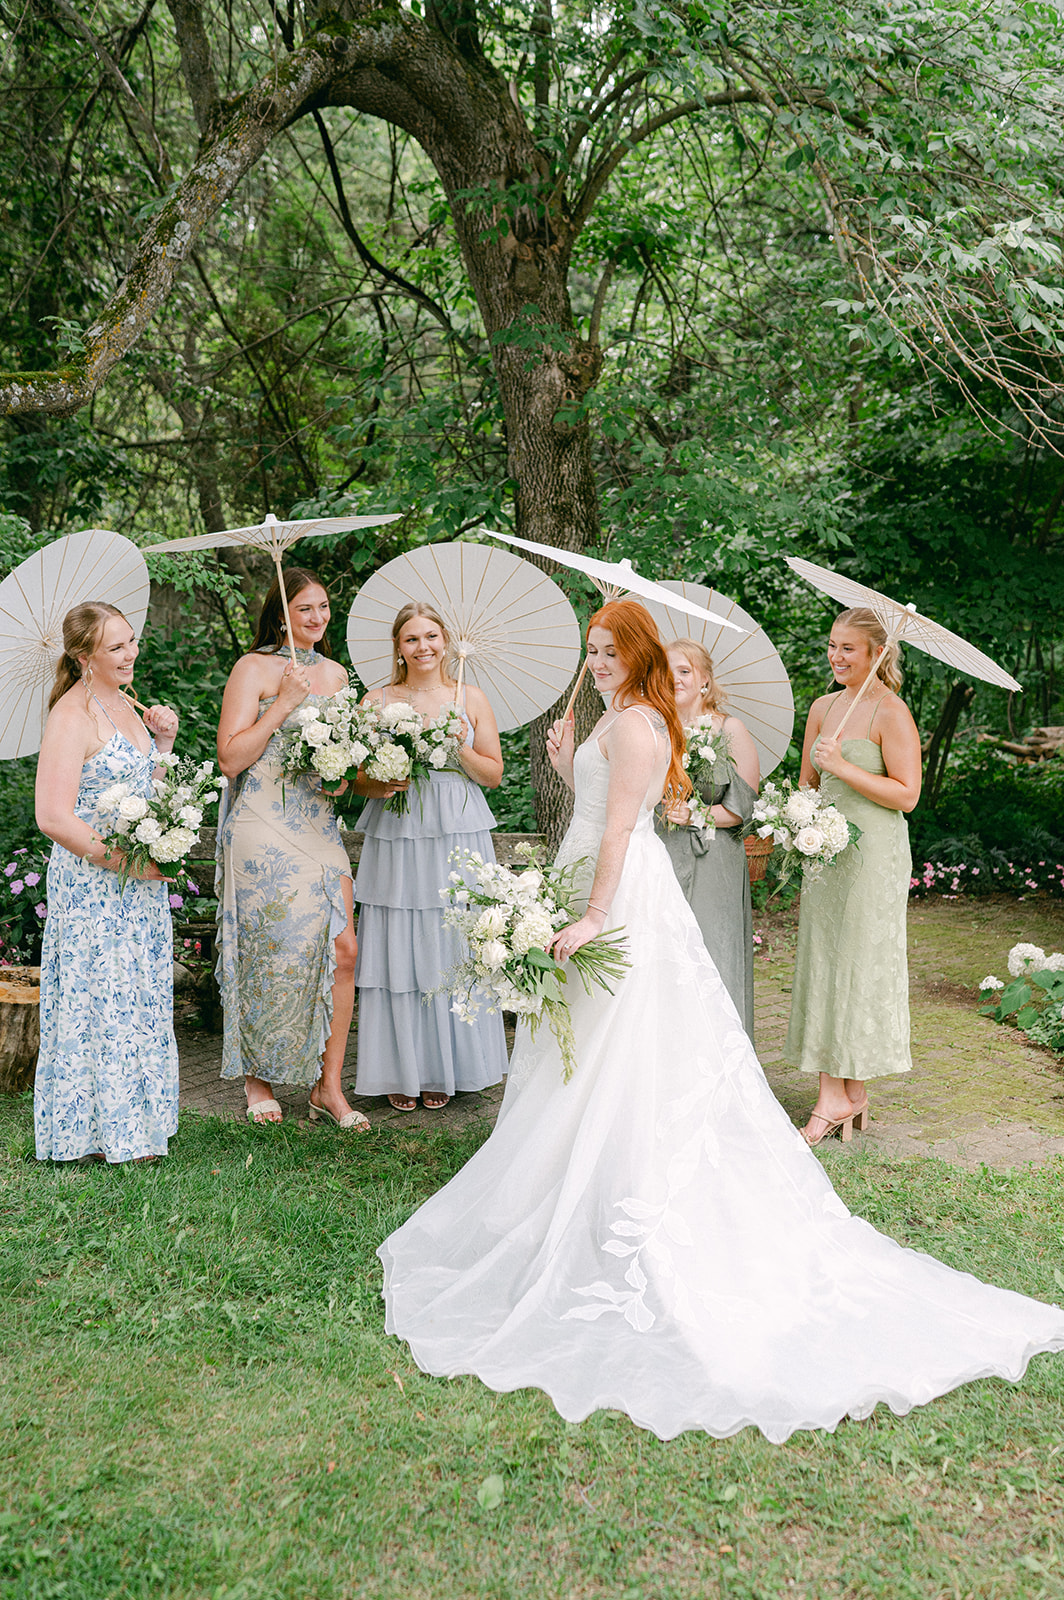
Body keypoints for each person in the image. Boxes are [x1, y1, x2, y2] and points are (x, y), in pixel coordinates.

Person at [377, 598, 1064, 1444]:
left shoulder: (636, 726)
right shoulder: (622, 716)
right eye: (589, 651)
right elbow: (603, 803)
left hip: (617, 895)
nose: (592, 662)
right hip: (594, 876)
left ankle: (624, 1189)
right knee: (589, 1054)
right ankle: (585, 1178)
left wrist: (593, 914)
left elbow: (623, 829)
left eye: (604, 650)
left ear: (634, 654)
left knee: (620, 1049)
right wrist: (564, 760)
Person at [216, 568, 387, 1129]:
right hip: (262, 824)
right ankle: (257, 1079)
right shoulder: (254, 668)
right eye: (305, 609)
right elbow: (232, 759)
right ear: (281, 613)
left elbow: (343, 762)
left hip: (318, 825)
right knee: (268, 950)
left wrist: (351, 778)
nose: (317, 618)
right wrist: (282, 703)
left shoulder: (337, 674)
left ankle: (327, 1087)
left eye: (323, 607)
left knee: (344, 950)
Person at [34, 602, 181, 1164]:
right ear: (82, 656)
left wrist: (163, 746)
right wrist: (127, 863)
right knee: (98, 1000)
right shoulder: (71, 716)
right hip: (94, 882)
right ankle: (90, 1135)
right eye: (116, 647)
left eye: (132, 641)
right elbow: (53, 816)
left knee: (135, 996)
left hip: (136, 883)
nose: (131, 653)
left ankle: (137, 1128)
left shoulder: (125, 704)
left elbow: (149, 794)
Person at [353, 601, 508, 1111]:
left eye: (431, 637)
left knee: (451, 941)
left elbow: (492, 775)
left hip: (456, 827)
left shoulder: (472, 698)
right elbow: (351, 778)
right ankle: (403, 1067)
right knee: (401, 941)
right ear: (398, 647)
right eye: (412, 639)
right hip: (398, 823)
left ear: (446, 641)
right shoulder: (377, 701)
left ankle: (447, 1067)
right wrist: (381, 779)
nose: (423, 647)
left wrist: (459, 744)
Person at [784, 607, 921, 1145]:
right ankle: (847, 1093)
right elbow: (807, 787)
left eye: (849, 649)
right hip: (826, 852)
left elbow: (906, 796)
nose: (836, 656)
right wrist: (797, 824)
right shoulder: (823, 708)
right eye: (832, 646)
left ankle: (836, 1096)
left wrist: (843, 766)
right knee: (824, 959)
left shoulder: (892, 712)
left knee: (860, 963)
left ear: (876, 655)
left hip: (874, 855)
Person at [656, 638, 760, 1035]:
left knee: (712, 950)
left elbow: (743, 807)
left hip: (713, 859)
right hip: (661, 852)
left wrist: (694, 813)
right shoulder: (654, 726)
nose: (674, 678)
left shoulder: (729, 728)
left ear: (704, 680)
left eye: (684, 671)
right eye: (667, 671)